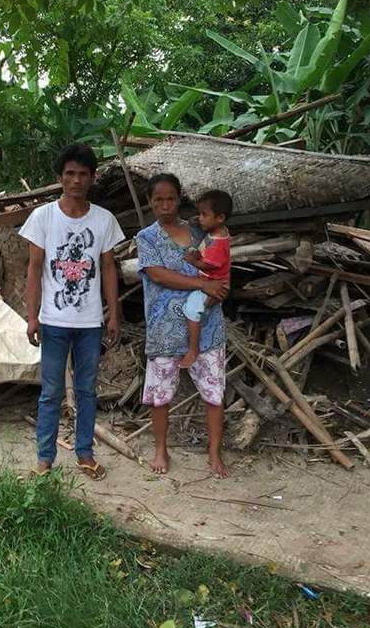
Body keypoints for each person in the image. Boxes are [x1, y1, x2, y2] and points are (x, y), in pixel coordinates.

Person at [19, 143, 125, 480]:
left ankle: (85, 454)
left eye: (82, 174)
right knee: (50, 393)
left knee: (87, 391)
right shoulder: (43, 217)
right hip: (53, 321)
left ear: (92, 177)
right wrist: (32, 316)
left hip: (90, 323)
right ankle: (44, 459)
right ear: (60, 177)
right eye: (70, 173)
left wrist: (113, 313)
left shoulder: (104, 220)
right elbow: (34, 268)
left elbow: (108, 269)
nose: (76, 180)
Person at [136, 173, 230, 478]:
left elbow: (222, 259)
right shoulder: (147, 238)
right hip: (164, 329)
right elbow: (157, 274)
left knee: (213, 392)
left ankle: (214, 452)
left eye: (171, 199)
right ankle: (161, 449)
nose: (165, 205)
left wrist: (219, 284)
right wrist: (202, 285)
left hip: (207, 327)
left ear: (179, 200)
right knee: (160, 394)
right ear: (150, 202)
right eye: (158, 199)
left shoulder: (201, 230)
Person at [179, 190, 233, 370]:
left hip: (215, 285)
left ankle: (193, 350)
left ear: (220, 218)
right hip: (212, 281)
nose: (200, 218)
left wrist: (194, 261)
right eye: (199, 214)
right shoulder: (216, 231)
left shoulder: (218, 243)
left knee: (191, 310)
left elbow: (210, 265)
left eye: (204, 214)